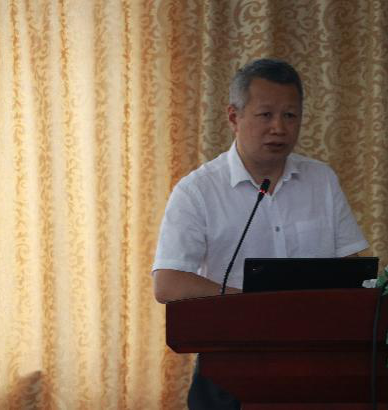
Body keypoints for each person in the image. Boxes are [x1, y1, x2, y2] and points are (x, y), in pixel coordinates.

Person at [152, 58, 369, 409]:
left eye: (290, 115)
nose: (279, 128)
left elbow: (352, 267)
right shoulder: (198, 191)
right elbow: (168, 283)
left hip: (316, 360)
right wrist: (254, 305)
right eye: (265, 115)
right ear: (233, 117)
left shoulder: (321, 181)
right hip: (230, 363)